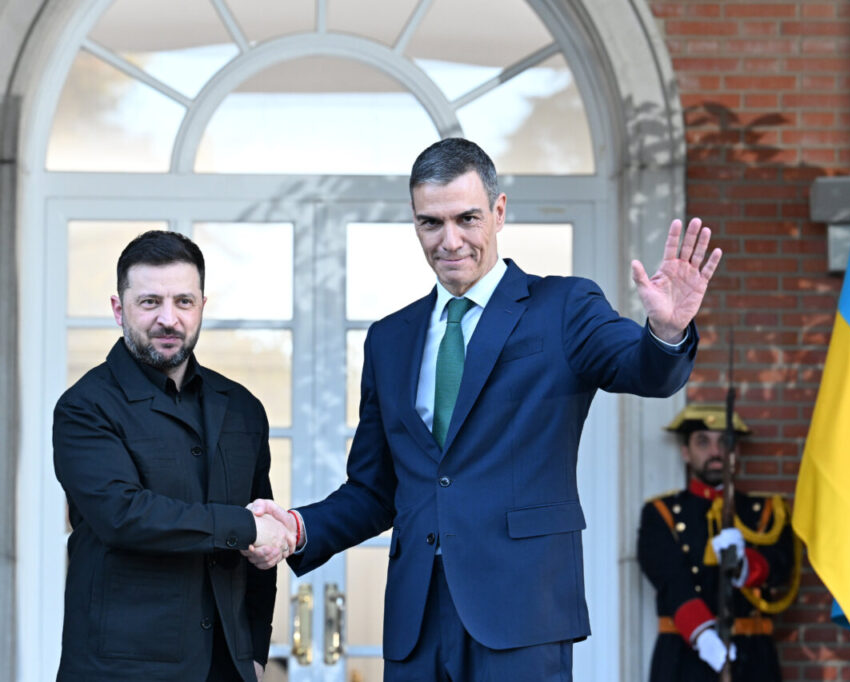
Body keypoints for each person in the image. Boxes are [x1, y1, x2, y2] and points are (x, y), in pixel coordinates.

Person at [245, 137, 721, 680]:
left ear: (498, 212)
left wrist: (666, 329)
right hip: (416, 624)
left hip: (522, 617)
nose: (450, 241)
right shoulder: (389, 339)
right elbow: (376, 490)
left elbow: (646, 372)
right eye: (431, 223)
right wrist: (299, 527)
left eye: (467, 218)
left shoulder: (564, 307)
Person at [52, 230, 295, 682]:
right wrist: (244, 528)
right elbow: (124, 515)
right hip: (119, 672)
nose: (169, 318)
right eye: (150, 302)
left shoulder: (242, 408)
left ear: (202, 305)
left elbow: (262, 543)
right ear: (118, 309)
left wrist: (255, 652)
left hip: (228, 667)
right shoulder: (84, 408)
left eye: (183, 301)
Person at [637, 403, 799, 682]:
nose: (715, 452)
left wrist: (745, 566)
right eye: (703, 442)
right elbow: (669, 579)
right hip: (684, 655)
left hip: (752, 657)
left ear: (736, 452)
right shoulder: (661, 513)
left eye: (725, 442)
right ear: (685, 452)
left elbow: (783, 567)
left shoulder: (767, 511)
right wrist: (702, 634)